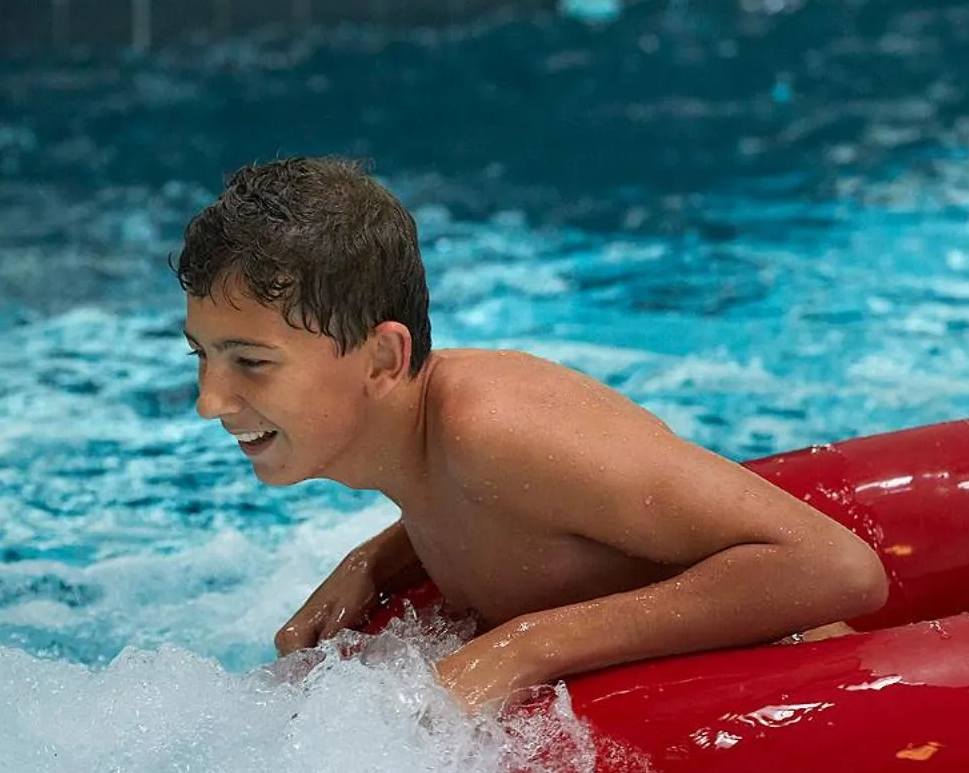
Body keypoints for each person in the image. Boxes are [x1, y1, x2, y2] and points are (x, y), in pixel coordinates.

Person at [175, 157, 887, 711]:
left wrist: (531, 644)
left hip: (816, 712)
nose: (211, 400)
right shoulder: (419, 452)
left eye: (252, 362)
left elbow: (836, 567)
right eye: (202, 355)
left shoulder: (499, 427)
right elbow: (506, 511)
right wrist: (375, 560)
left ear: (383, 358)